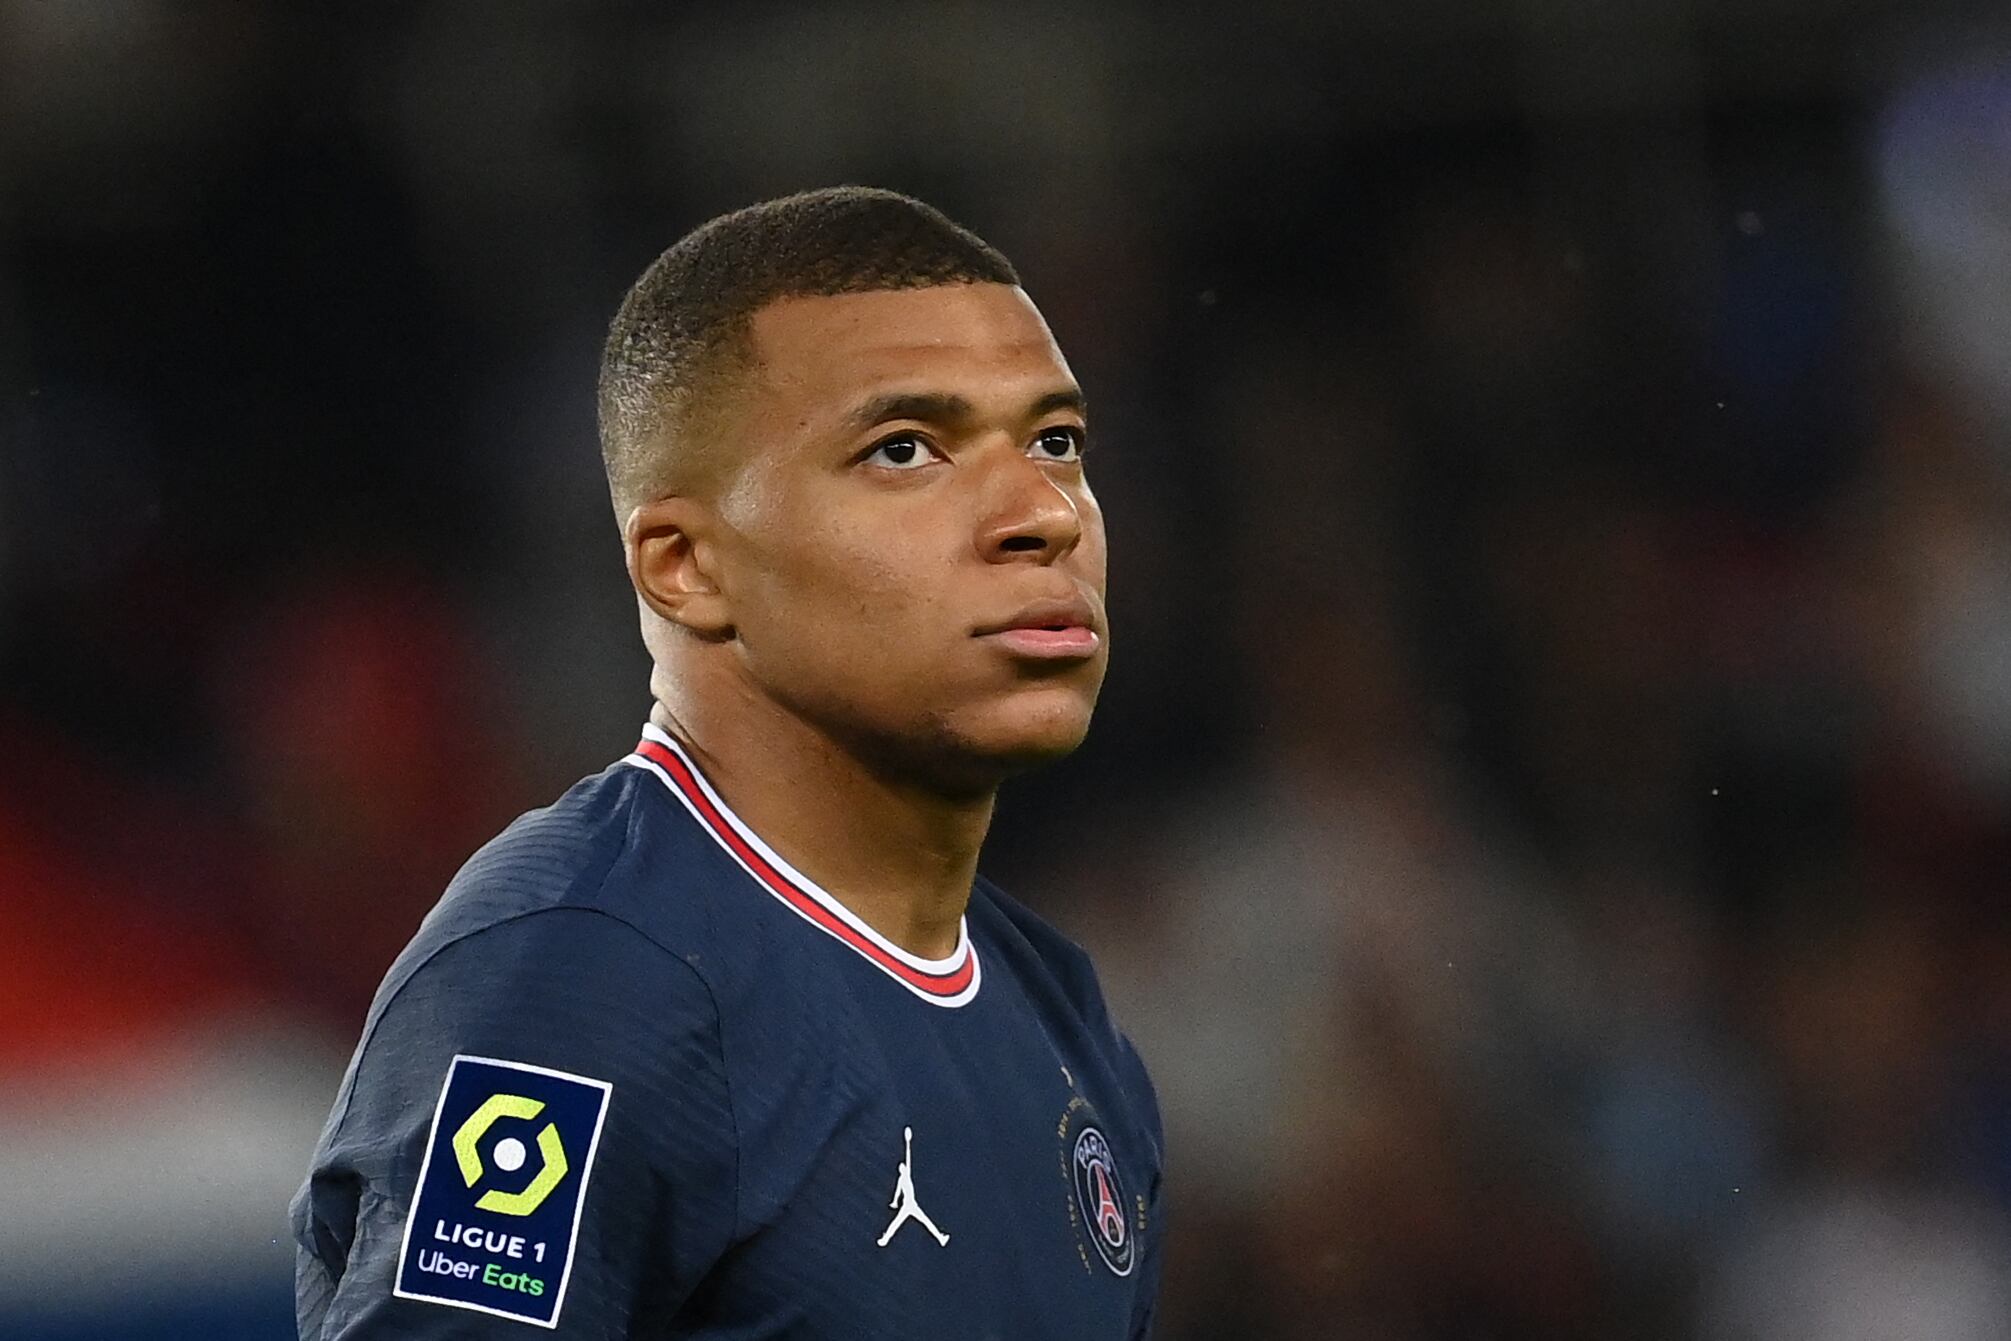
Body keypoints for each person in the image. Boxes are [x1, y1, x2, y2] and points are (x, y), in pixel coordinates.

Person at [292, 187, 1163, 1339]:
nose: (1041, 513)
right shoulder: (583, 982)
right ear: (685, 566)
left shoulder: (1061, 1022)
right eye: (905, 449)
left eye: (1055, 441)